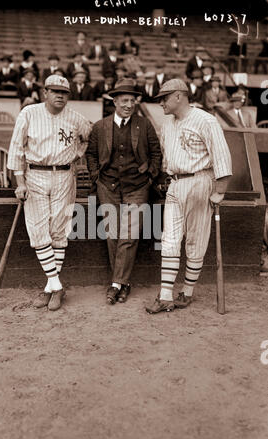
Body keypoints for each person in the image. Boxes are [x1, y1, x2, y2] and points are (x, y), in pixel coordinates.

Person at [146, 78, 232, 314]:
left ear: (178, 96)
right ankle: (165, 296)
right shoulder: (168, 124)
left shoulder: (205, 120)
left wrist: (219, 191)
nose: (161, 103)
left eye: (164, 98)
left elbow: (222, 157)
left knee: (195, 241)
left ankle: (187, 292)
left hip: (200, 180)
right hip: (175, 183)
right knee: (170, 239)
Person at [7, 75, 92, 310]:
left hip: (64, 175)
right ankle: (56, 285)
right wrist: (20, 181)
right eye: (55, 91)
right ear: (45, 92)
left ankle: (49, 288)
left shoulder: (76, 118)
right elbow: (16, 148)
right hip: (35, 174)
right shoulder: (29, 113)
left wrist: (77, 154)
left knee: (59, 230)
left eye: (64, 93)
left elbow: (89, 137)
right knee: (38, 230)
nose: (60, 96)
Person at [85, 78, 162, 305]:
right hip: (107, 186)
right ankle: (123, 283)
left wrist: (150, 176)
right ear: (115, 102)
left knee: (129, 235)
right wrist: (94, 175)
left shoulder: (144, 125)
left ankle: (116, 284)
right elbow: (90, 154)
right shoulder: (100, 126)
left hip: (137, 187)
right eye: (124, 100)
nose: (129, 104)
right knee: (112, 234)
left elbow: (156, 153)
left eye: (132, 100)